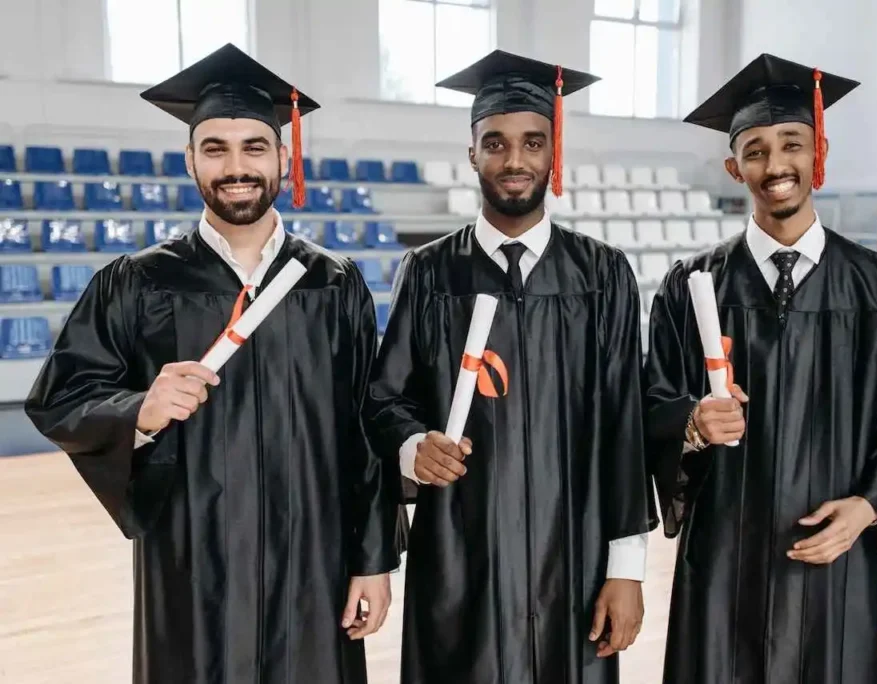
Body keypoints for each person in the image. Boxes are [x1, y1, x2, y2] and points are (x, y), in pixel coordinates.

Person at [24, 43, 403, 684]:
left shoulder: (330, 283)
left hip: (313, 563)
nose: (236, 166)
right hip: (190, 562)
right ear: (191, 160)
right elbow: (61, 397)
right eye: (215, 148)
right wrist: (136, 408)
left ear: (284, 157)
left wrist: (373, 559)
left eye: (255, 147)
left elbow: (364, 427)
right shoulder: (138, 282)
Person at [643, 53, 877, 684]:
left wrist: (870, 508)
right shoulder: (691, 286)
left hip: (829, 564)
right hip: (723, 559)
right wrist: (693, 424)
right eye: (754, 150)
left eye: (791, 144)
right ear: (735, 168)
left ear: (819, 153)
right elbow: (651, 403)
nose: (775, 165)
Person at [364, 49, 657, 684]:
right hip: (462, 555)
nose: (514, 159)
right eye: (494, 143)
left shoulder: (602, 275)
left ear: (554, 152)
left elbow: (623, 425)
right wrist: (415, 446)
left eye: (532, 142)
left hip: (574, 557)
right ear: (472, 153)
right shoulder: (430, 272)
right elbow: (384, 401)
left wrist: (626, 569)